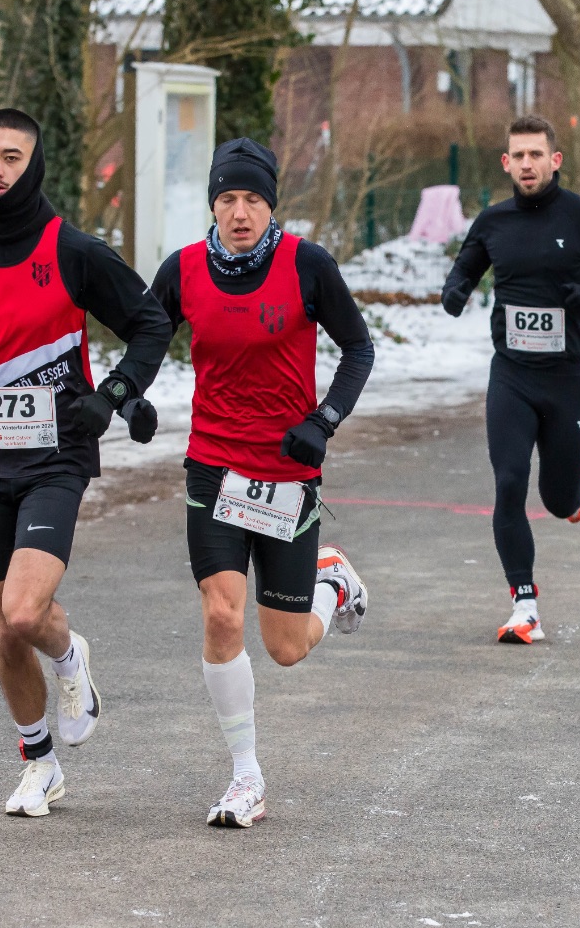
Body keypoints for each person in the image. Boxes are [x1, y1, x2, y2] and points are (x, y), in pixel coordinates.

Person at [0, 108, 171, 816]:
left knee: (22, 610)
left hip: (56, 453)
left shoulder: (73, 250)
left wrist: (114, 394)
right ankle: (39, 763)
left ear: (34, 162)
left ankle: (70, 655)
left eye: (11, 156)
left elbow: (150, 323)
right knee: (2, 621)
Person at [150, 138, 374, 827]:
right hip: (213, 467)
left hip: (286, 471)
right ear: (212, 204)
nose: (240, 213)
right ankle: (246, 776)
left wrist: (324, 420)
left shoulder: (307, 264)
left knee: (285, 647)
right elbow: (145, 335)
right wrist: (127, 393)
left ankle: (332, 584)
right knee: (221, 613)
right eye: (227, 199)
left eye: (252, 199)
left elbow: (358, 348)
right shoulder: (183, 269)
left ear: (271, 204)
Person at [441, 115, 580, 644]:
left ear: (555, 160)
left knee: (557, 500)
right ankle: (524, 605)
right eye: (518, 156)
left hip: (566, 378)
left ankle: (576, 491)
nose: (527, 164)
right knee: (509, 482)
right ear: (506, 163)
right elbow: (466, 268)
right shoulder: (493, 221)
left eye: (536, 154)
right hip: (511, 375)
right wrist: (455, 291)